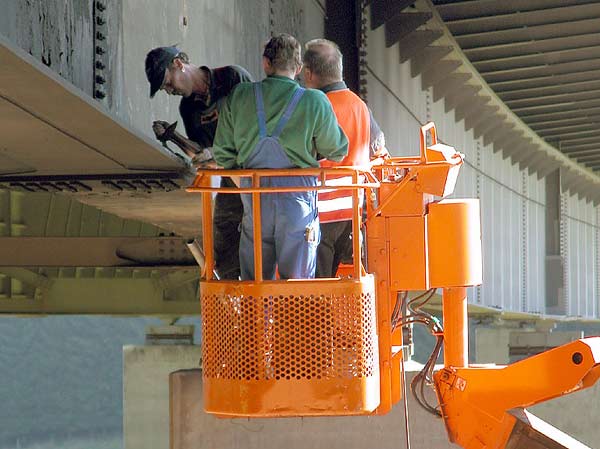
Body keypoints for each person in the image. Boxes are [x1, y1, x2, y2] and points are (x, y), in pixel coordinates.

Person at [213, 34, 348, 280]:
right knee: (295, 287)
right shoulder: (314, 101)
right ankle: (292, 318)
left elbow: (222, 152)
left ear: (266, 63)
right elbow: (337, 150)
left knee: (255, 284)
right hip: (297, 201)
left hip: (253, 198)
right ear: (298, 69)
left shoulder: (239, 95)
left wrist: (243, 184)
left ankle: (255, 319)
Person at [145, 46, 253, 279]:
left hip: (255, 172)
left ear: (178, 64)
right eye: (164, 88)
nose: (168, 89)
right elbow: (201, 155)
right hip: (231, 178)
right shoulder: (188, 108)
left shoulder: (231, 78)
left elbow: (255, 127)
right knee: (224, 232)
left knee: (261, 233)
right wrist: (173, 137)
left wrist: (217, 152)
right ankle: (232, 293)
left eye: (166, 81)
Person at [303, 38, 389, 278]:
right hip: (350, 213)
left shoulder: (317, 107)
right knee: (330, 282)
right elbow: (379, 148)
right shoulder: (360, 106)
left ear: (309, 74)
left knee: (312, 292)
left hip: (319, 214)